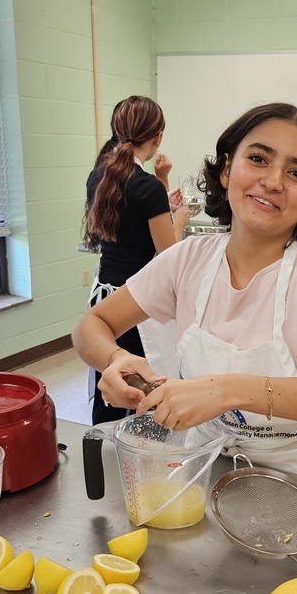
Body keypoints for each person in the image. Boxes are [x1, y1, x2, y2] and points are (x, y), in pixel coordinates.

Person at [72, 102, 297, 484]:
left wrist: (228, 391)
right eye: (257, 159)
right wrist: (115, 357)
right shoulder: (189, 257)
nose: (273, 181)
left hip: (296, 478)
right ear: (225, 170)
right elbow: (93, 324)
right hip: (202, 466)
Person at [84, 95, 189, 424]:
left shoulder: (99, 175)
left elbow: (129, 224)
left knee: (111, 377)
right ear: (157, 138)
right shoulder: (147, 187)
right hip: (136, 303)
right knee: (145, 383)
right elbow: (167, 254)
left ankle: (100, 442)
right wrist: (180, 220)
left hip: (103, 298)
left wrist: (162, 188)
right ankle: (146, 447)